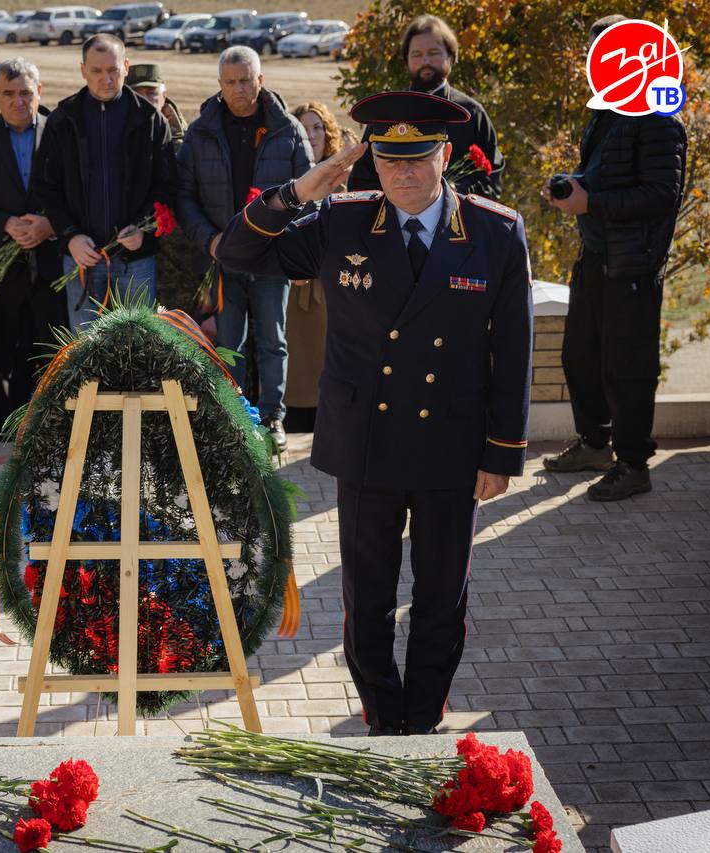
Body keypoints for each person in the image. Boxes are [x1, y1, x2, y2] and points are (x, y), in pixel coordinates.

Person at [218, 92, 533, 736]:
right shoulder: (342, 221)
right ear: (374, 161)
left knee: (442, 596)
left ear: (444, 155)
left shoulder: (495, 231)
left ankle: (423, 717)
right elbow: (236, 255)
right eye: (390, 159)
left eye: (418, 159)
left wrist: (502, 452)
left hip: (453, 445)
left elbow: (514, 349)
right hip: (368, 443)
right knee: (369, 599)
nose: (403, 173)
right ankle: (385, 720)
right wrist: (299, 190)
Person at [541, 14, 688, 501]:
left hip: (632, 267)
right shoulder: (608, 111)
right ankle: (595, 444)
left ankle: (633, 465)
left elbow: (660, 195)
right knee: (580, 359)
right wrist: (574, 187)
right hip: (596, 257)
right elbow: (608, 175)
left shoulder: (660, 118)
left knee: (627, 368)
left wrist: (592, 202)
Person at [175, 45, 313, 452]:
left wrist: (292, 243)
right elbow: (184, 197)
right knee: (228, 343)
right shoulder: (201, 132)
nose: (239, 89)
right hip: (224, 257)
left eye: (246, 80)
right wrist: (210, 239)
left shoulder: (287, 130)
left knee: (273, 341)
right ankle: (229, 417)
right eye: (231, 82)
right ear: (220, 85)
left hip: (272, 257)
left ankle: (272, 418)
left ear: (261, 80)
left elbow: (309, 193)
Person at [0, 58, 69, 440]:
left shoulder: (62, 133)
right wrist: (6, 223)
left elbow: (79, 194)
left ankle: (51, 437)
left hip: (52, 268)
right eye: (9, 93)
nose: (18, 101)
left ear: (39, 91)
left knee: (50, 356)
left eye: (25, 92)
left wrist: (50, 224)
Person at [34, 33, 176, 330]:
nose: (106, 79)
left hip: (135, 259)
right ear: (83, 69)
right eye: (97, 71)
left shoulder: (149, 119)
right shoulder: (64, 119)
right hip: (82, 258)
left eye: (113, 70)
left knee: (138, 349)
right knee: (86, 356)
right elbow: (47, 187)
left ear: (126, 66)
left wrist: (143, 230)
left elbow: (166, 186)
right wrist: (70, 235)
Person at [346, 15, 504, 200]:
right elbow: (361, 182)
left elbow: (491, 182)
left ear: (451, 56)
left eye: (433, 53)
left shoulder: (471, 113)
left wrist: (452, 191)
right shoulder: (387, 111)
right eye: (417, 54)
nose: (425, 61)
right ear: (406, 60)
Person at [282, 101, 346, 434]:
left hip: (332, 285)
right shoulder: (288, 179)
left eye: (318, 126)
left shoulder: (341, 174)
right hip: (295, 286)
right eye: (304, 127)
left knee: (326, 359)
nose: (312, 134)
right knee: (297, 361)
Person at [125, 62, 188, 145]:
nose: (144, 100)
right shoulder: (113, 133)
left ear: (164, 96)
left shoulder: (187, 141)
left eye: (151, 93)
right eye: (136, 95)